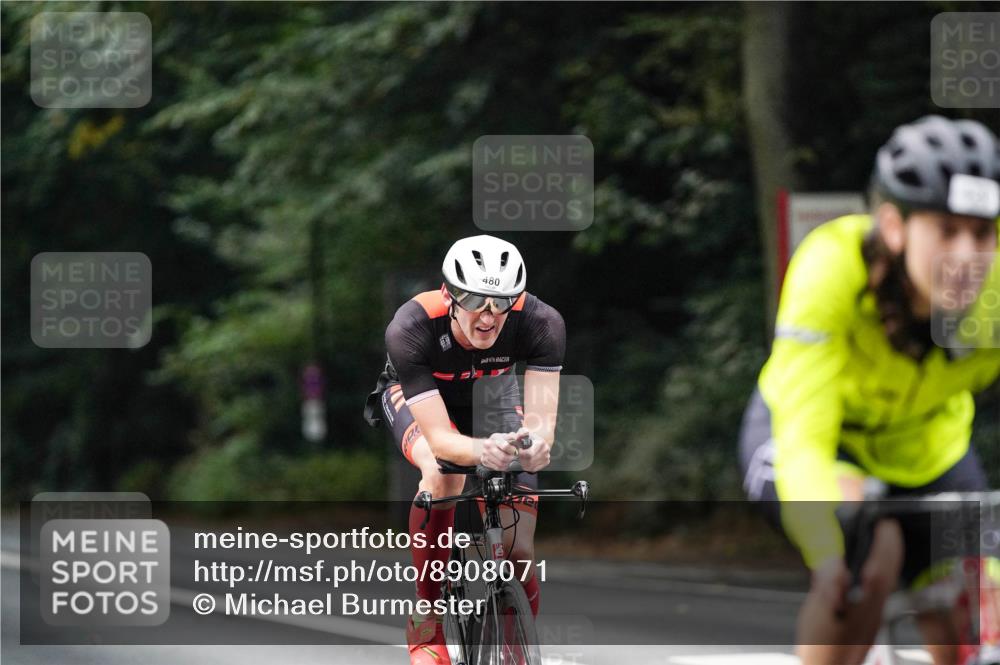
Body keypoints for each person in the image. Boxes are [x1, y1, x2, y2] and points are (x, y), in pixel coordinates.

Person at [738, 115, 1000, 665]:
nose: (967, 257)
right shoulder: (830, 269)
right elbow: (806, 439)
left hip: (928, 448)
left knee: (979, 609)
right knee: (867, 558)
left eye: (982, 233)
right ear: (895, 226)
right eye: (946, 230)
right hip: (819, 437)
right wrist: (826, 554)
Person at [364, 234, 565, 665]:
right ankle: (428, 615)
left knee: (519, 549)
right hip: (420, 398)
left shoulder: (541, 322)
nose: (490, 315)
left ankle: (519, 646)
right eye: (475, 299)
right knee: (445, 473)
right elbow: (442, 441)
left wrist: (535, 448)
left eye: (502, 300)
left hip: (491, 398)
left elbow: (541, 424)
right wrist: (481, 451)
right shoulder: (412, 326)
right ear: (449, 295)